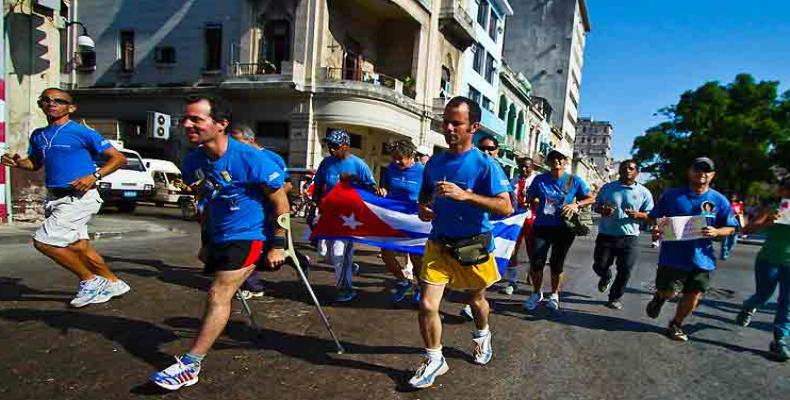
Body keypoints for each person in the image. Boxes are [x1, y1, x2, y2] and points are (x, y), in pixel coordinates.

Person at [150, 95, 289, 390]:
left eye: (196, 119)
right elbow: (205, 200)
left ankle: (191, 364)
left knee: (218, 293)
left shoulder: (251, 158)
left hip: (251, 235)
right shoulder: (192, 160)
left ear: (221, 124)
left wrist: (279, 244)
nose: (187, 124)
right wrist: (206, 241)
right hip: (218, 235)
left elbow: (280, 202)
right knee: (220, 293)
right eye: (185, 119)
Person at [409, 96, 512, 389]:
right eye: (446, 122)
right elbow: (424, 200)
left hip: (472, 246)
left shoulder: (484, 165)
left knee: (475, 299)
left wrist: (466, 195)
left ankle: (482, 334)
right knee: (428, 304)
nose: (449, 128)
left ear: (473, 127)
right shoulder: (435, 162)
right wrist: (424, 209)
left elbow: (506, 207)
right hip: (438, 244)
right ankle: (434, 358)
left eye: (457, 123)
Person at [1, 88, 131, 308]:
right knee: (80, 246)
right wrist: (18, 163)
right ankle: (113, 282)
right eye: (46, 100)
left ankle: (90, 281)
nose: (52, 103)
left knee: (44, 241)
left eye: (59, 101)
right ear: (41, 105)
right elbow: (35, 163)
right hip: (55, 198)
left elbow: (118, 159)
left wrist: (94, 176)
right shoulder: (38, 135)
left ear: (71, 107)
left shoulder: (82, 132)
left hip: (80, 198)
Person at [645, 157, 737, 342]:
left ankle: (676, 324)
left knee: (694, 294)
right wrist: (657, 227)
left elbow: (731, 227)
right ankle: (660, 297)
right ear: (690, 172)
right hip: (673, 256)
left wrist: (716, 231)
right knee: (669, 291)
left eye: (706, 170)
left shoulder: (719, 200)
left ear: (712, 175)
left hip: (702, 258)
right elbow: (654, 217)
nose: (702, 173)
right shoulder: (672, 195)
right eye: (697, 169)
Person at [522, 149, 595, 312]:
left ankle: (554, 294)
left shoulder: (574, 181)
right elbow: (530, 198)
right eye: (553, 158)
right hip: (542, 225)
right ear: (548, 161)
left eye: (560, 158)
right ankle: (536, 293)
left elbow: (591, 198)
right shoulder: (540, 180)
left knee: (557, 262)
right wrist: (533, 201)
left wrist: (575, 205)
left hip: (564, 228)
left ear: (566, 161)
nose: (556, 160)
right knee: (537, 262)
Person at [312, 129, 376, 302]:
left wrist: (354, 179)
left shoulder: (358, 164)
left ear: (346, 146)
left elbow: (371, 189)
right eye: (329, 145)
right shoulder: (326, 163)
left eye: (335, 146)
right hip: (329, 215)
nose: (331, 149)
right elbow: (318, 186)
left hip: (349, 218)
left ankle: (346, 289)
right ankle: (349, 266)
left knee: (339, 251)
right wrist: (316, 206)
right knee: (326, 255)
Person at [229, 123, 288, 299]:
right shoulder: (234, 159)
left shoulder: (270, 158)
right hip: (244, 216)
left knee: (264, 250)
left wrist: (268, 196)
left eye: (238, 142)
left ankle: (297, 259)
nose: (235, 147)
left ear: (251, 140)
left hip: (269, 213)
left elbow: (287, 185)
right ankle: (252, 285)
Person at [734, 179, 790, 361]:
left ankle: (779, 340)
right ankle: (749, 306)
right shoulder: (772, 208)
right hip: (769, 260)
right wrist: (767, 222)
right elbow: (747, 229)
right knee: (763, 296)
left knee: (787, 302)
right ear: (782, 190)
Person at [591, 160, 654, 309]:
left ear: (637, 172)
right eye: (624, 168)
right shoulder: (607, 188)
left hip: (629, 237)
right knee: (599, 266)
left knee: (625, 269)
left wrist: (638, 215)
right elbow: (595, 206)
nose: (627, 171)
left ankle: (614, 297)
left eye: (631, 168)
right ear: (619, 171)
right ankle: (605, 276)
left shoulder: (644, 192)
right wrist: (602, 210)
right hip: (606, 235)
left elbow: (651, 215)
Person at [378, 139, 424, 304]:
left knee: (416, 258)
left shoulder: (423, 172)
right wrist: (383, 190)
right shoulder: (391, 168)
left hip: (413, 220)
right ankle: (403, 281)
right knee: (386, 254)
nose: (396, 162)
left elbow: (430, 194)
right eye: (394, 158)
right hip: (393, 217)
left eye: (400, 158)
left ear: (411, 156)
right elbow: (385, 186)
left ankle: (420, 287)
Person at [503, 157, 539, 295]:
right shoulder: (513, 181)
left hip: (532, 219)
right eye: (521, 166)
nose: (523, 169)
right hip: (516, 219)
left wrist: (532, 199)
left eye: (527, 167)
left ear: (532, 167)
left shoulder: (537, 181)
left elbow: (544, 199)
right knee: (512, 249)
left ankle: (532, 271)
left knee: (533, 251)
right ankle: (512, 281)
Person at [721, 193, 745, 260]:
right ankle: (724, 253)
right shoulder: (725, 204)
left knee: (733, 241)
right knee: (725, 241)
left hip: (735, 225)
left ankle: (727, 250)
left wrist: (742, 225)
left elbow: (741, 215)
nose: (732, 198)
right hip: (726, 224)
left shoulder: (738, 205)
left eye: (733, 197)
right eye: (731, 197)